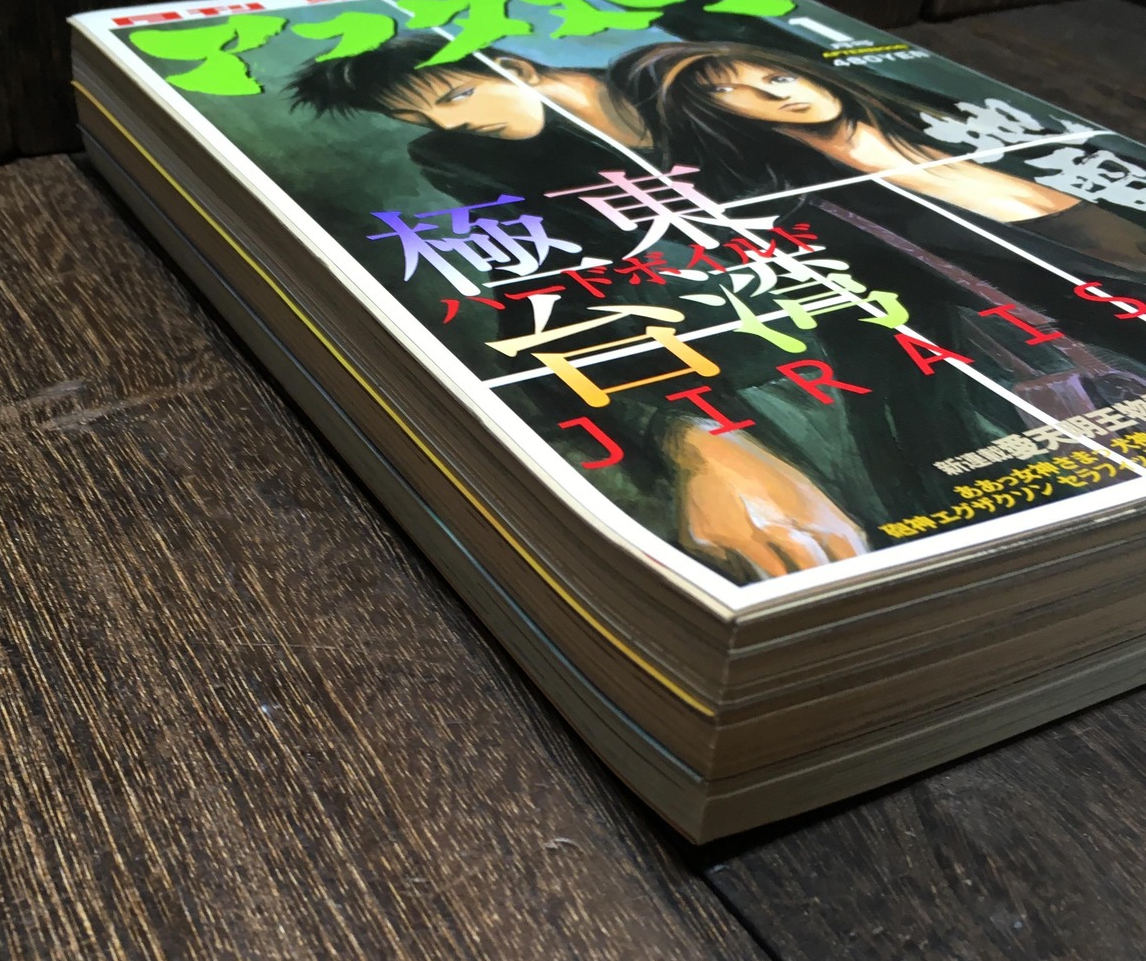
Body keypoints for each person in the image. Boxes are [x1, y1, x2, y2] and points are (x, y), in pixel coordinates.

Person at [288, 35, 872, 582]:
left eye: (455, 96)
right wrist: (692, 436)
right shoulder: (473, 157)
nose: (447, 123)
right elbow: (540, 294)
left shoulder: (685, 85)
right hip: (760, 342)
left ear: (513, 67)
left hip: (860, 278)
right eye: (415, 118)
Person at [608, 40, 1146, 274]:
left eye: (776, 76)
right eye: (727, 92)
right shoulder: (824, 216)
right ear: (704, 115)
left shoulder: (973, 123)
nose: (772, 93)